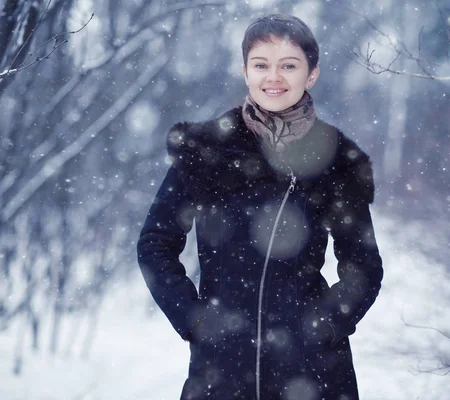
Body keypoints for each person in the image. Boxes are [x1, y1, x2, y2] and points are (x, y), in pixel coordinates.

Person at [137, 13, 383, 400]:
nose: (274, 77)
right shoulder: (206, 150)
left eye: (289, 65)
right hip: (221, 371)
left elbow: (364, 266)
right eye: (261, 65)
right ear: (245, 71)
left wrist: (326, 323)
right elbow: (155, 243)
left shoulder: (337, 160)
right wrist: (193, 318)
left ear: (312, 74)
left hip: (312, 373)